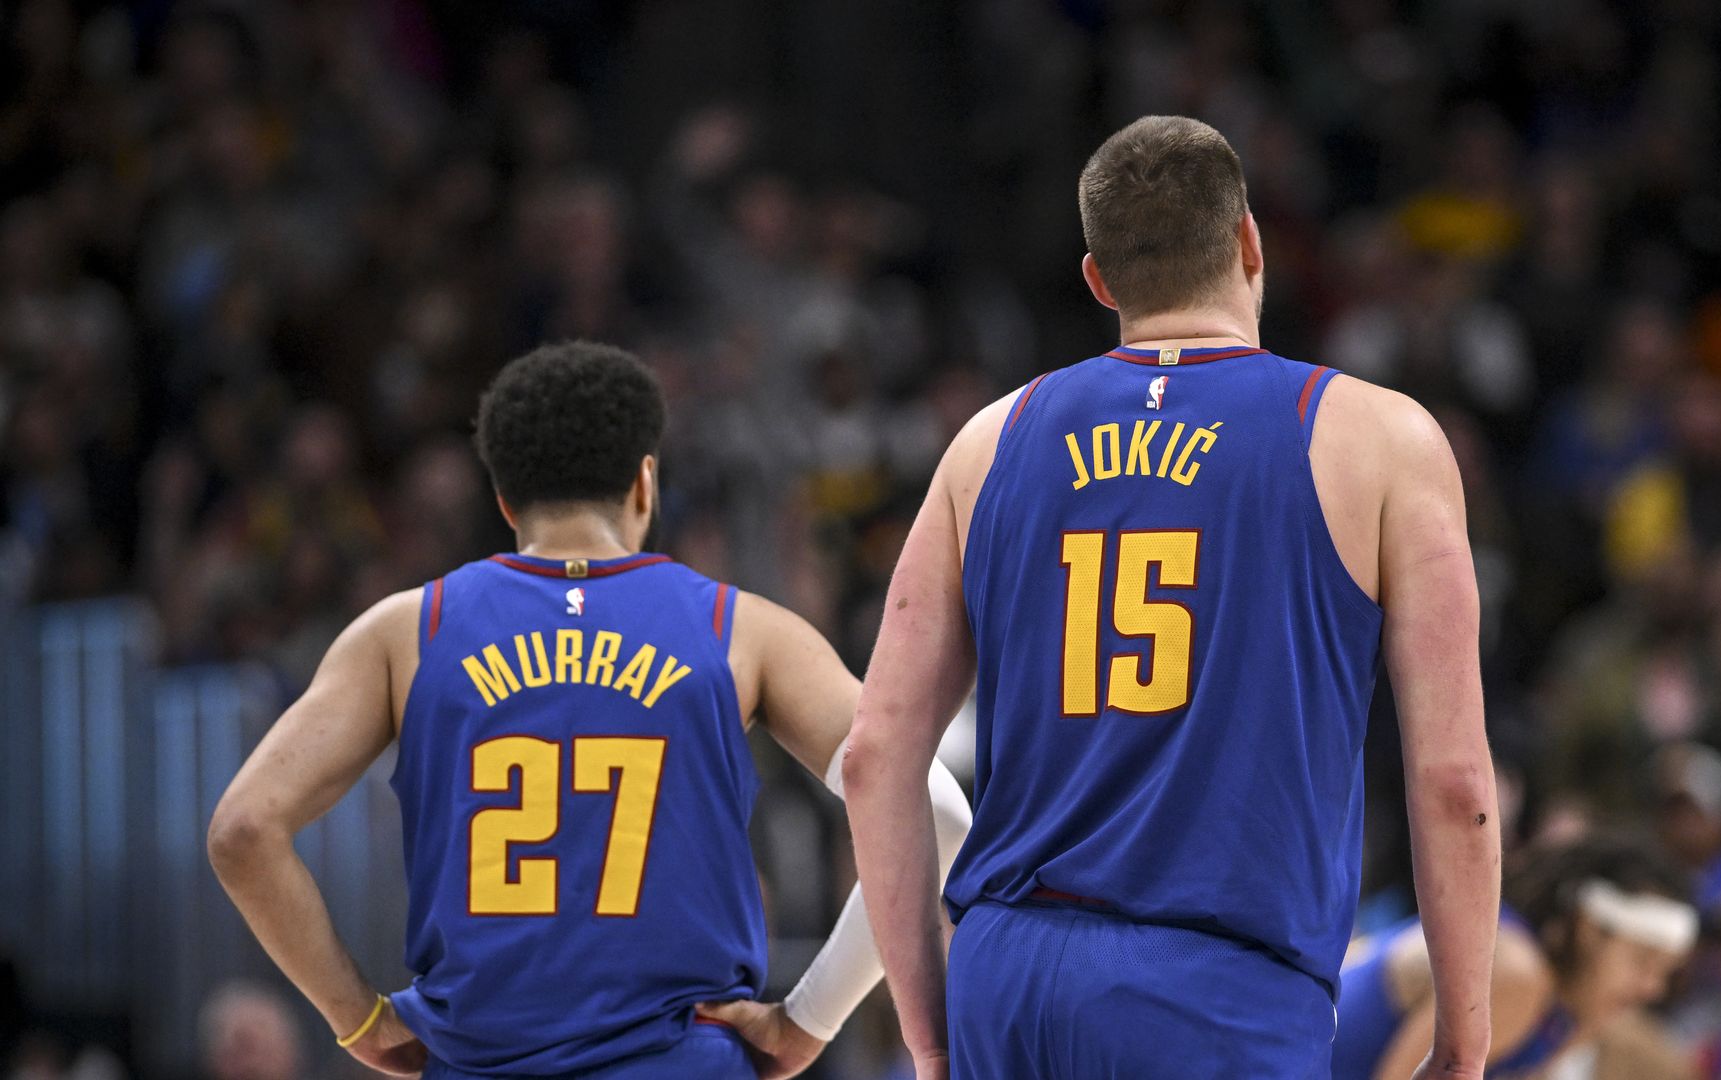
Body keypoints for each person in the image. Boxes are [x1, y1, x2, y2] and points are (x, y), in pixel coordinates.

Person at [843, 115, 1501, 1080]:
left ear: (1100, 280)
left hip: (1006, 976)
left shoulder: (989, 441)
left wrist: (933, 1036)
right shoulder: (1380, 440)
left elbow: (874, 757)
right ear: (1249, 244)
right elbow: (1454, 786)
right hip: (1217, 984)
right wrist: (1464, 1039)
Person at [207, 342, 972, 1079]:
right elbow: (936, 810)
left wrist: (361, 1020)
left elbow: (243, 832)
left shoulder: (405, 632)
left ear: (504, 499)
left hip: (478, 1062)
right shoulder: (742, 631)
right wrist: (808, 1019)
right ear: (645, 483)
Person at [1333, 836, 1697, 1080]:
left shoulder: (1568, 1014)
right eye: (1643, 961)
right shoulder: (1517, 973)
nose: (1652, 988)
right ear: (1590, 930)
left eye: (1664, 974)